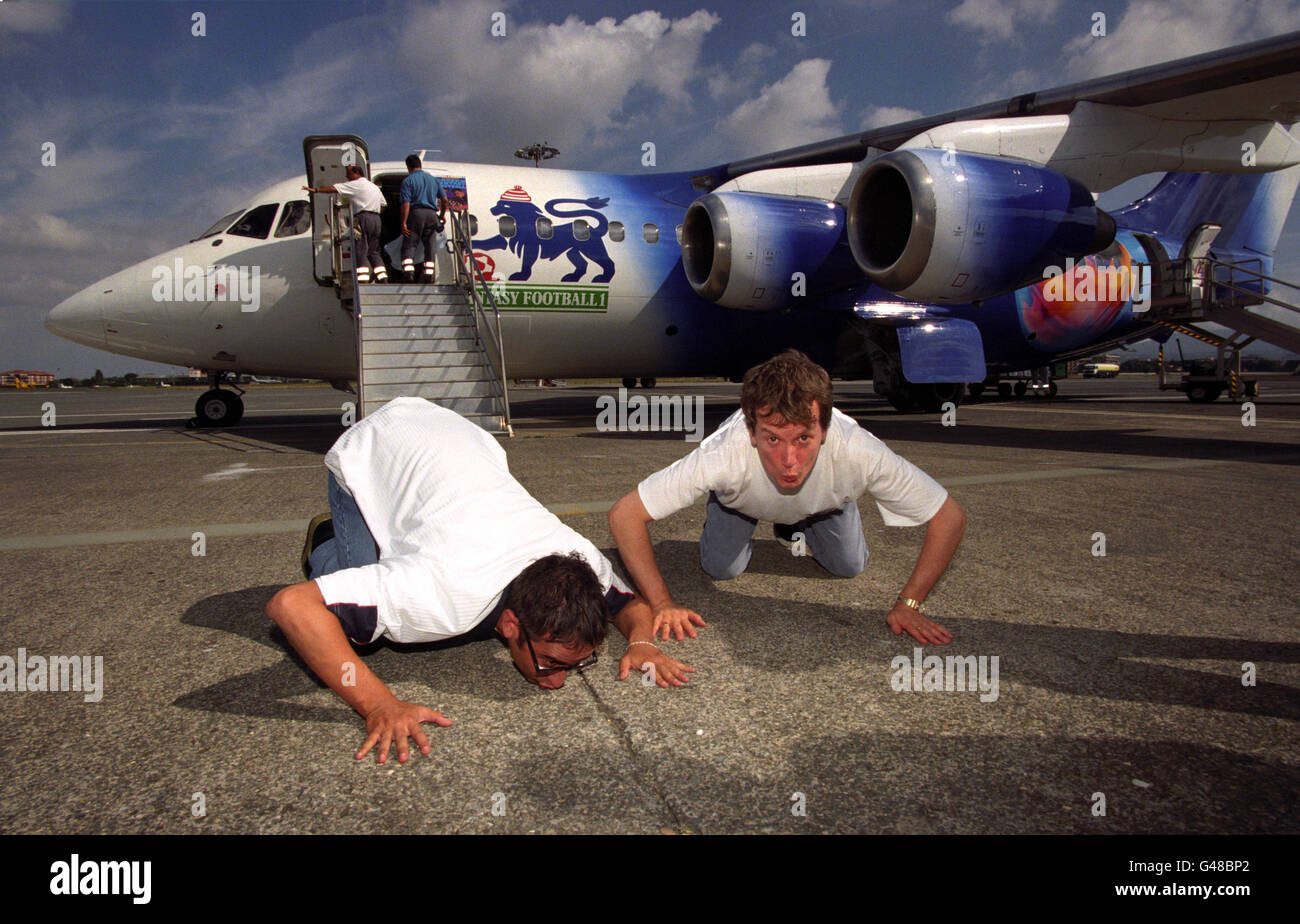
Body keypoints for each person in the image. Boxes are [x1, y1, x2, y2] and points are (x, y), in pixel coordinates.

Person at [267, 397, 692, 763]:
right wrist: (378, 705)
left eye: (575, 663)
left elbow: (629, 605)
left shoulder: (580, 562)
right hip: (378, 445)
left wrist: (642, 643)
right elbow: (291, 606)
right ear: (509, 625)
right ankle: (325, 543)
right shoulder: (441, 598)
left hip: (460, 440)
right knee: (356, 630)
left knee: (390, 568)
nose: (559, 680)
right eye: (552, 662)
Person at [608, 349, 966, 647]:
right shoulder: (722, 454)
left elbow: (948, 516)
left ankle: (803, 515)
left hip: (824, 502)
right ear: (751, 431)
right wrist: (662, 602)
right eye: (773, 439)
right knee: (721, 569)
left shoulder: (858, 450)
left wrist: (910, 604)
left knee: (849, 567)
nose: (789, 462)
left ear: (824, 429)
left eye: (804, 439)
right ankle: (737, 505)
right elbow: (625, 515)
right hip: (741, 502)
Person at [303, 165, 388, 284]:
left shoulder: (355, 184)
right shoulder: (374, 187)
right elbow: (383, 204)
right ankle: (382, 276)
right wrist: (374, 212)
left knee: (360, 247)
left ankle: (362, 279)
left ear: (356, 173)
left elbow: (334, 188)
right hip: (376, 219)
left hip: (362, 218)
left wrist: (316, 190)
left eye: (348, 173)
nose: (347, 176)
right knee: (373, 250)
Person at [399, 154, 449, 283]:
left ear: (408, 166)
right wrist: (442, 215)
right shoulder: (433, 180)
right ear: (420, 165)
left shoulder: (408, 181)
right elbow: (444, 200)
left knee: (410, 245)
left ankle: (408, 272)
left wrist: (403, 222)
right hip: (432, 214)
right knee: (429, 246)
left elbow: (406, 203)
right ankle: (429, 275)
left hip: (416, 213)